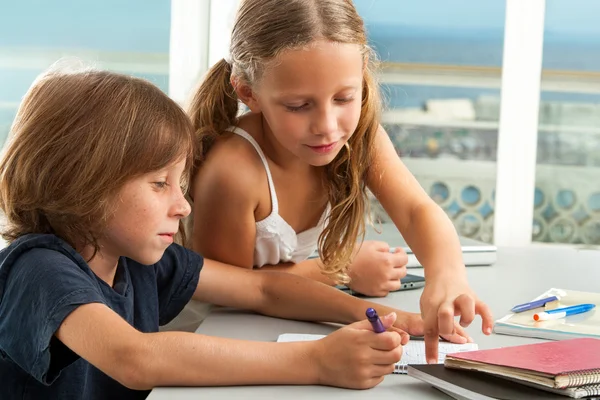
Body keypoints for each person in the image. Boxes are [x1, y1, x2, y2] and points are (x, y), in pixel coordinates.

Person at [0, 67, 471, 400]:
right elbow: (135, 357)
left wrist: (392, 318)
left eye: (178, 184)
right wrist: (316, 363)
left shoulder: (137, 259)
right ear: (84, 182)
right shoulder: (39, 268)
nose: (182, 205)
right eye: (159, 184)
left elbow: (266, 288)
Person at [188, 0, 493, 363]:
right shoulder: (233, 172)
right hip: (211, 338)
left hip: (276, 325)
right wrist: (342, 271)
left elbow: (415, 210)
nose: (328, 126)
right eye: (299, 105)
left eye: (344, 97)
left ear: (362, 70)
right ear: (248, 93)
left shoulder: (359, 136)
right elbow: (240, 292)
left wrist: (448, 275)